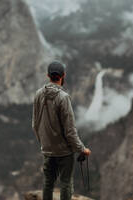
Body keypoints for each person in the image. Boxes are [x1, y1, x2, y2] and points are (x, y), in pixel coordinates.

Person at [32, 61, 91, 200]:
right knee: (66, 183)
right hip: (64, 152)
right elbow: (70, 131)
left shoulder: (38, 94)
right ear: (63, 76)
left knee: (48, 183)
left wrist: (44, 142)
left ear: (48, 76)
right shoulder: (63, 98)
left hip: (47, 149)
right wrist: (82, 149)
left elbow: (35, 124)